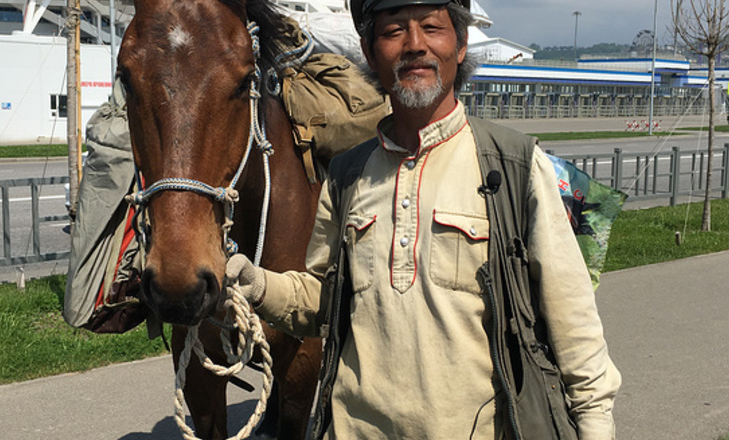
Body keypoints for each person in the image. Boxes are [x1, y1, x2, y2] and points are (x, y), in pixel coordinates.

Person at [225, 0, 621, 438]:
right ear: (369, 52)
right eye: (394, 31)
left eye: (432, 27)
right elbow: (324, 299)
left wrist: (594, 423)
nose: (415, 45)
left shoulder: (513, 165)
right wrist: (256, 284)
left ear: (461, 42)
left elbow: (572, 319)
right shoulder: (347, 176)